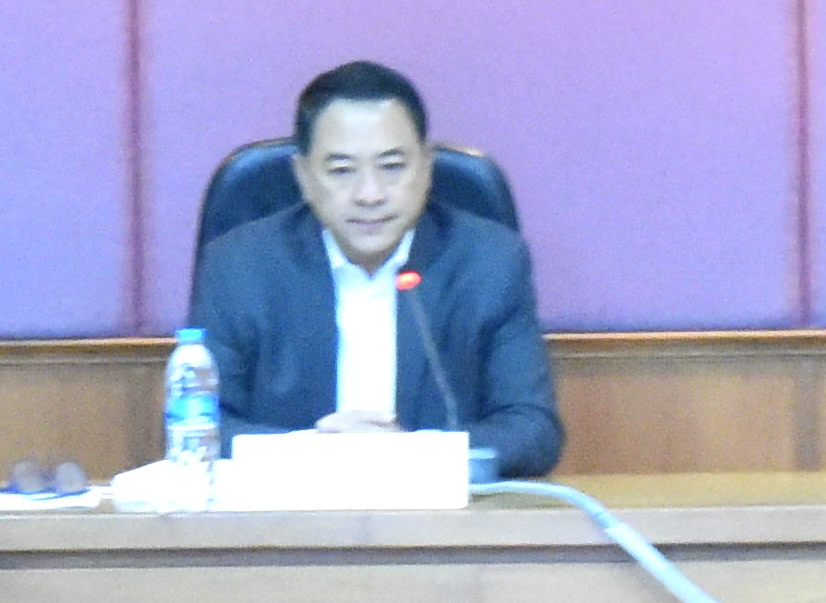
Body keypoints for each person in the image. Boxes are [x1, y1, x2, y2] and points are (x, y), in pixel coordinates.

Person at [179, 60, 561, 480]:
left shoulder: (489, 262)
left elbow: (532, 429)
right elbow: (200, 426)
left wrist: (409, 454)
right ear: (304, 177)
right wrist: (318, 452)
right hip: (288, 512)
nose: (370, 194)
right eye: (342, 171)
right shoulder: (240, 266)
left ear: (426, 167)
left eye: (392, 167)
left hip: (435, 513)